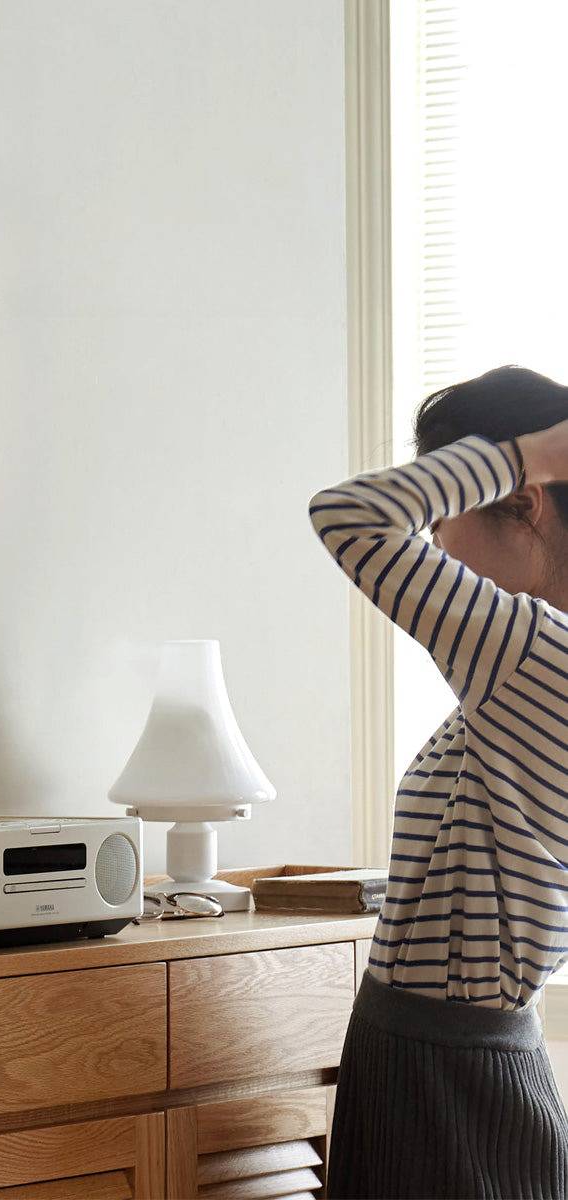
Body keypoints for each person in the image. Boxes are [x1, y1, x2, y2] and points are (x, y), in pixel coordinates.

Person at [310, 366, 568, 1198]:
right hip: (473, 1059)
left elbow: (348, 515)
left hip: (440, 1066)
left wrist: (528, 452)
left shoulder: (532, 651)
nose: (434, 550)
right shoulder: (534, 660)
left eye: (444, 522)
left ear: (524, 503)